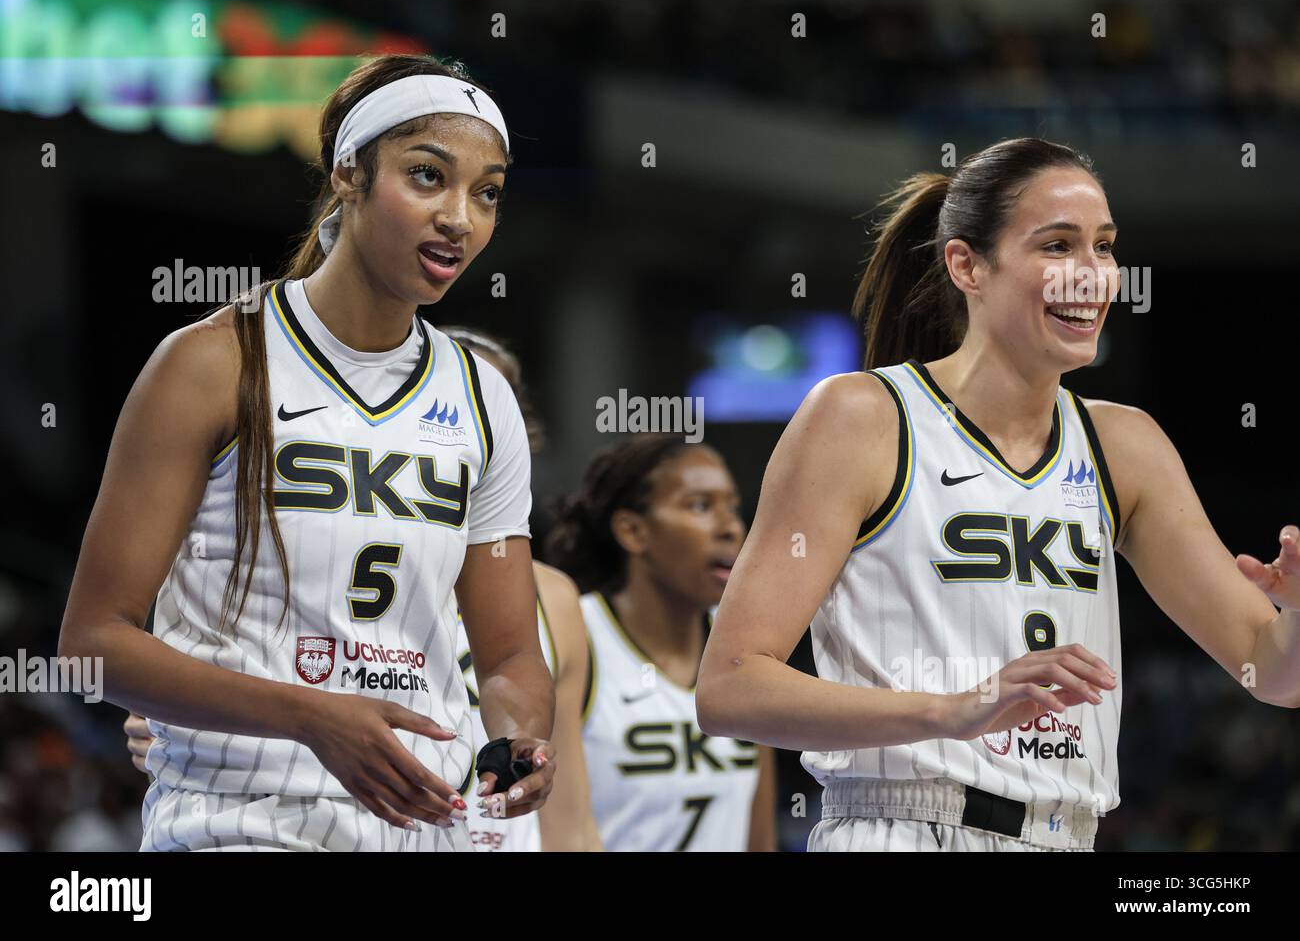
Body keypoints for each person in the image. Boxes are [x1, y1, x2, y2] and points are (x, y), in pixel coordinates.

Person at [696, 137, 1299, 851]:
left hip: (1066, 835)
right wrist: (958, 710)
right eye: (1057, 247)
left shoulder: (1126, 446)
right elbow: (731, 688)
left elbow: (1272, 671)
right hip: (902, 827)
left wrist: (1296, 612)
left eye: (1103, 248)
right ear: (966, 265)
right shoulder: (862, 417)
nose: (1091, 275)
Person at [61, 53, 556, 851]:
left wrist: (519, 738)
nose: (460, 217)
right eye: (428, 176)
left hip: (423, 823)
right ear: (348, 176)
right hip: (243, 821)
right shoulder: (212, 363)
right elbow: (92, 646)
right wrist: (309, 715)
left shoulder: (481, 397)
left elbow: (506, 656)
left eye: (487, 192)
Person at [122, 327, 605, 851]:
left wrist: (519, 751)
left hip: (443, 832)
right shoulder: (288, 533)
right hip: (260, 816)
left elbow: (570, 810)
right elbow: (119, 656)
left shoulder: (547, 596)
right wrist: (183, 719)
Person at [546, 436, 777, 851]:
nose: (730, 526)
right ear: (633, 531)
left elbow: (760, 840)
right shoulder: (576, 633)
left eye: (731, 505)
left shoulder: (744, 644)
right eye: (700, 506)